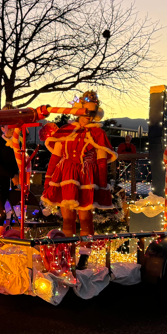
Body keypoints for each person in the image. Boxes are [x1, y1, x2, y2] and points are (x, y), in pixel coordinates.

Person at [40, 91, 117, 237]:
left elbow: (101, 163)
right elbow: (55, 158)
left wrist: (101, 186)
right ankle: (69, 254)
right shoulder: (66, 131)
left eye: (89, 115)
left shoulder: (97, 134)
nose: (86, 118)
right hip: (65, 176)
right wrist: (48, 181)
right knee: (67, 219)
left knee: (86, 219)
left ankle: (84, 256)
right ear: (78, 113)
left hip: (85, 179)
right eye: (83, 114)